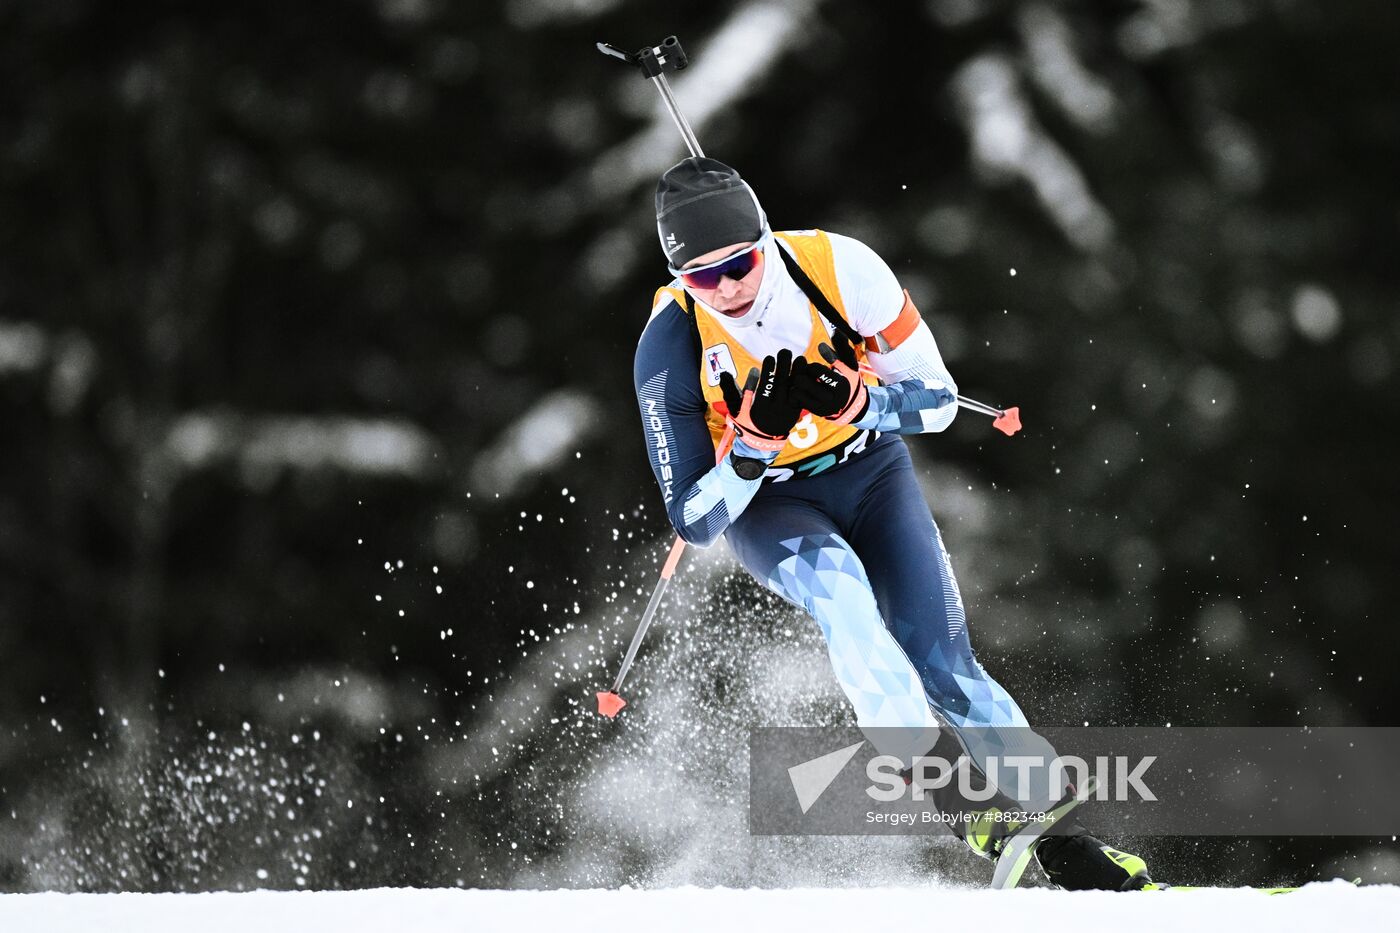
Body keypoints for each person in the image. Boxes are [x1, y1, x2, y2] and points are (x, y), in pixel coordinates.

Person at [633, 156, 1151, 890]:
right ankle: (963, 804)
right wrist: (750, 446)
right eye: (701, 277)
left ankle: (1075, 850)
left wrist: (860, 404)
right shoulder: (669, 342)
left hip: (871, 473)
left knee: (944, 662)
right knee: (843, 600)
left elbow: (938, 401)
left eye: (740, 263)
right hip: (771, 505)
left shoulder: (841, 269)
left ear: (765, 238)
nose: (727, 289)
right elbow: (692, 521)